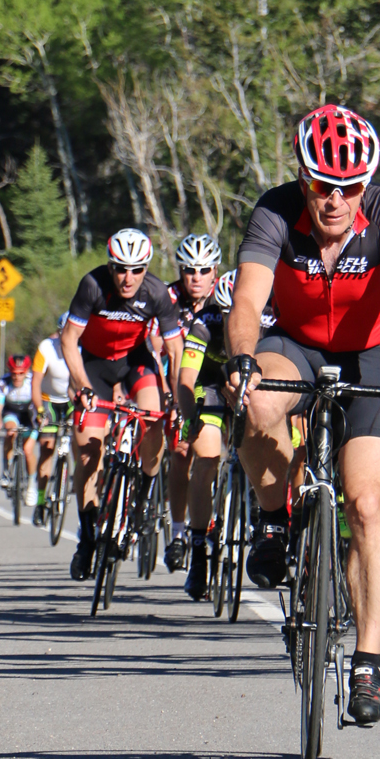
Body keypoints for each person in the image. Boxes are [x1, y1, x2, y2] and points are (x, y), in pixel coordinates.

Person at [225, 104, 380, 728]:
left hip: (374, 352)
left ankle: (367, 662)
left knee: (367, 502)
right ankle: (272, 520)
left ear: (367, 184)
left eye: (350, 187)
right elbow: (248, 298)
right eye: (322, 186)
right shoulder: (275, 210)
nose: (336, 199)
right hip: (297, 344)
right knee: (256, 402)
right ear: (301, 177)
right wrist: (239, 358)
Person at [60, 228, 173, 581]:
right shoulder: (93, 285)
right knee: (87, 451)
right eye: (121, 268)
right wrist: (80, 386)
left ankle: (143, 492)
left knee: (155, 420)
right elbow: (68, 340)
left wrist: (172, 390)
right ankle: (88, 535)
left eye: (137, 269)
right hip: (94, 365)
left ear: (146, 268)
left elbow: (175, 346)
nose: (128, 278)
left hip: (135, 362)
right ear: (110, 266)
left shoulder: (156, 292)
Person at [174, 266, 236, 601]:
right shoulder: (205, 323)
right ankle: (198, 553)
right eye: (225, 313)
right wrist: (189, 418)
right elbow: (185, 379)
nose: (231, 321)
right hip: (209, 386)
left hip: (249, 387)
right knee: (208, 459)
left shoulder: (271, 318)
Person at [161, 232, 222, 572]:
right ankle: (180, 531)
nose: (195, 278)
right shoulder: (168, 298)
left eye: (203, 271)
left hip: (215, 377)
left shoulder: (224, 298)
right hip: (182, 381)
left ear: (215, 271)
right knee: (182, 452)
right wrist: (168, 393)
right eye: (188, 270)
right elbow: (158, 349)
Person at [31, 327, 73, 526]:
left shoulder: (83, 348)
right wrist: (39, 409)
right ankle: (40, 502)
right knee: (47, 449)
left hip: (73, 400)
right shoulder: (47, 348)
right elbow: (35, 382)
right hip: (49, 400)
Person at [0, 354, 40, 504]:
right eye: (14, 373)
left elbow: (39, 403)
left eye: (21, 373)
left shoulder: (33, 381)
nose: (17, 377)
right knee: (11, 432)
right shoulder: (3, 383)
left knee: (27, 451)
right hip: (11, 412)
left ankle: (32, 485)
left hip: (29, 413)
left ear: (27, 372)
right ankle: (6, 471)